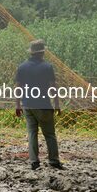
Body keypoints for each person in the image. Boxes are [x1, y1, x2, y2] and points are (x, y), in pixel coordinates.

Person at [15, 40, 63, 170]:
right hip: (43, 104)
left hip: (27, 105)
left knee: (32, 133)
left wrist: (17, 105)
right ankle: (53, 160)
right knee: (49, 134)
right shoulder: (47, 67)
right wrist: (57, 104)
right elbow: (53, 88)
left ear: (31, 52)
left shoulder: (22, 67)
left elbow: (18, 88)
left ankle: (34, 161)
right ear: (42, 53)